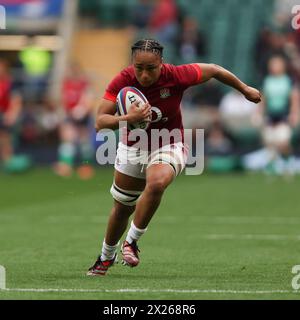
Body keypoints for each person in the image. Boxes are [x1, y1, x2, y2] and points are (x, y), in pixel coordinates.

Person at [87, 39, 261, 276]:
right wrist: (128, 118)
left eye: (151, 68)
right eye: (139, 68)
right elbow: (100, 122)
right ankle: (106, 257)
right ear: (132, 64)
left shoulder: (177, 75)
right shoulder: (123, 80)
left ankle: (132, 241)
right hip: (133, 148)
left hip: (169, 142)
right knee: (122, 208)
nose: (144, 74)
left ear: (162, 63)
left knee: (157, 182)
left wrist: (245, 89)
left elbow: (214, 70)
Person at [258, 55, 299, 176]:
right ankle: (272, 168)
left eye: (277, 64)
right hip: (271, 116)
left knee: (283, 143)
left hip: (284, 116)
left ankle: (288, 163)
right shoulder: (267, 80)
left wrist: (294, 113)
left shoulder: (288, 80)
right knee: (270, 143)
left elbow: (294, 98)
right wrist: (258, 113)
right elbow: (262, 99)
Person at [53, 62, 95, 179]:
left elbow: (89, 100)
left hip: (83, 117)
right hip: (70, 116)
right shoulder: (66, 84)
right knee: (68, 140)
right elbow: (63, 101)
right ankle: (66, 166)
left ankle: (86, 167)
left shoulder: (84, 84)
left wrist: (82, 110)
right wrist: (63, 115)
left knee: (84, 143)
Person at [0, 58, 22, 166]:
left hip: (4, 114)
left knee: (6, 138)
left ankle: (7, 161)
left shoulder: (10, 83)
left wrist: (12, 114)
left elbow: (16, 100)